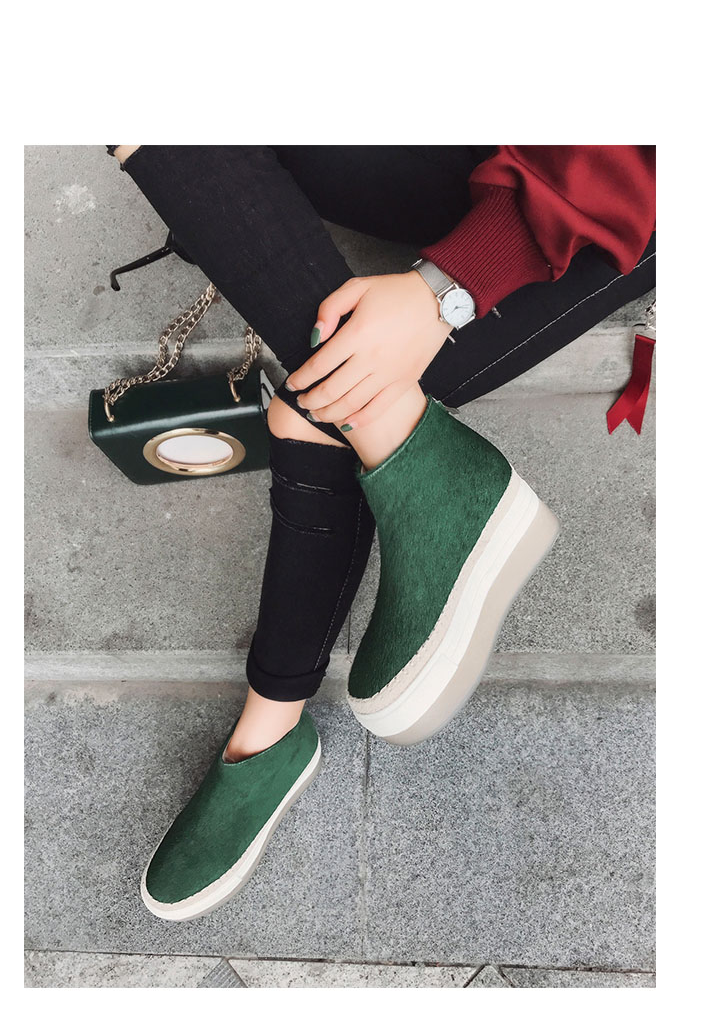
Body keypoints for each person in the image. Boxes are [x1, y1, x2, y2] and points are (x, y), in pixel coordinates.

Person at [105, 145, 655, 921]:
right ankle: (410, 448)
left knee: (325, 396)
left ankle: (269, 728)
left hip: (621, 184)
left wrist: (448, 288)